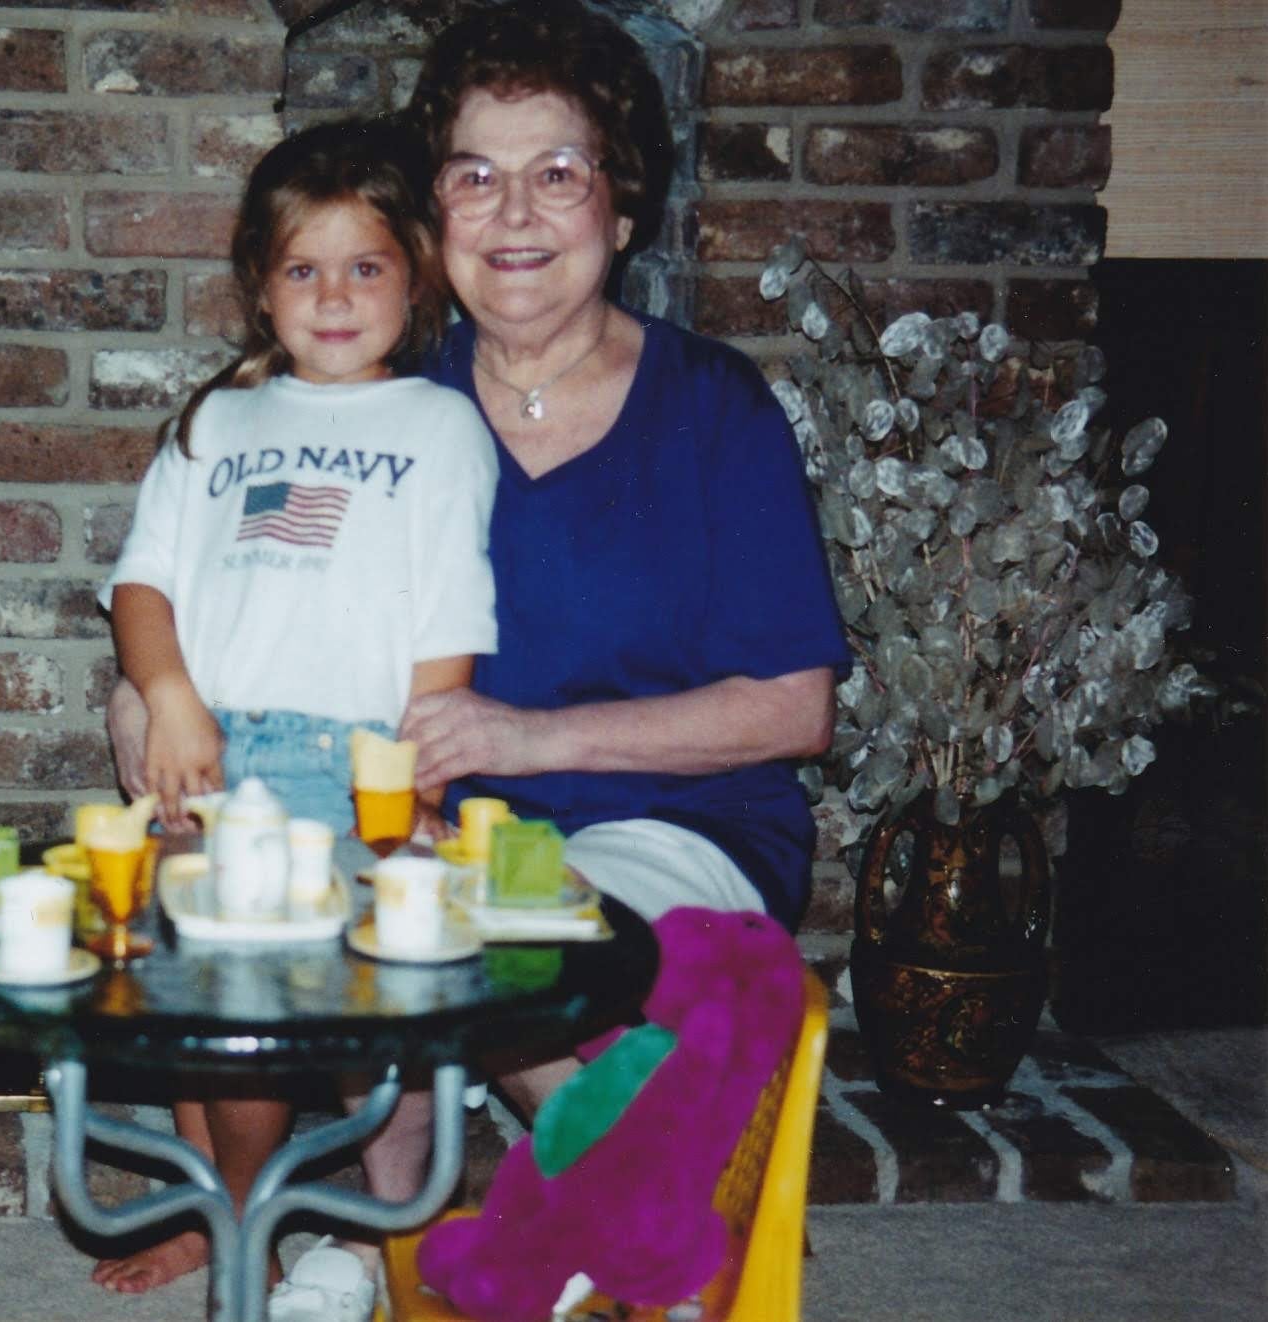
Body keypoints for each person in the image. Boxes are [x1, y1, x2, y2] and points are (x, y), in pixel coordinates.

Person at [108, 0, 849, 1311]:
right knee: (340, 902)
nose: (515, 212)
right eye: (475, 174)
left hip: (662, 821)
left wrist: (527, 739)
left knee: (487, 937)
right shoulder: (377, 402)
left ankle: (606, 1232)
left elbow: (796, 709)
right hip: (419, 819)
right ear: (430, 220)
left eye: (558, 172)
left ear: (620, 210)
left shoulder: (712, 409)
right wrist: (160, 709)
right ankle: (368, 1218)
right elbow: (220, 605)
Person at [91, 116, 500, 1308]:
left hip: (346, 759)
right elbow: (142, 583)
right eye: (302, 269)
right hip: (205, 745)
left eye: (364, 265)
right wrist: (166, 698)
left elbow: (445, 623)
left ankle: (266, 1207)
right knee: (194, 990)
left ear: (413, 278)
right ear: (258, 290)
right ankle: (228, 1219)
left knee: (284, 1004)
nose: (333, 295)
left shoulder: (435, 428)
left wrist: (417, 788)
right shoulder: (214, 422)